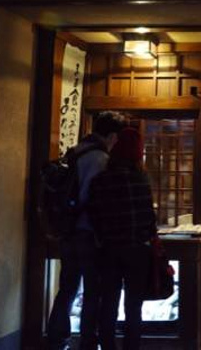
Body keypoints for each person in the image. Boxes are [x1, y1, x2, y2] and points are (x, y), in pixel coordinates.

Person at [46, 111, 125, 350]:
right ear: (112, 136)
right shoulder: (100, 158)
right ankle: (87, 341)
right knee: (92, 289)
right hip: (88, 232)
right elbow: (95, 198)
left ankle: (56, 339)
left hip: (68, 230)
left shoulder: (76, 151)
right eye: (117, 137)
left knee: (68, 286)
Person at [88, 127, 157, 350]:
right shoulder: (140, 180)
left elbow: (94, 214)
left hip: (108, 249)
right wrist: (147, 237)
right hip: (137, 249)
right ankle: (131, 346)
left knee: (108, 302)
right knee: (134, 306)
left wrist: (102, 237)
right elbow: (149, 217)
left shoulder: (100, 180)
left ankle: (107, 345)